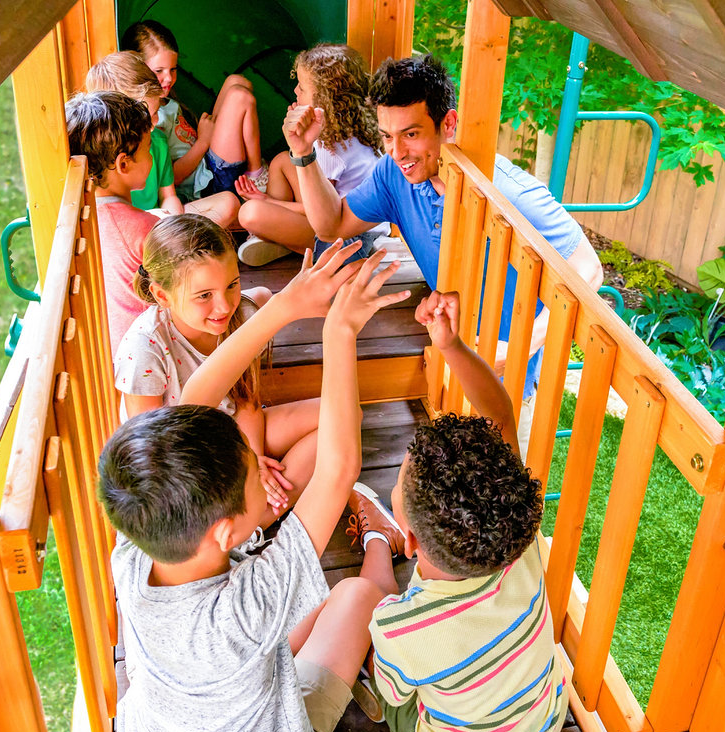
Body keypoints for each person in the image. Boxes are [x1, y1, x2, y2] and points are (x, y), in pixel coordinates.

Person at [97, 244, 411, 732]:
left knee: (304, 614)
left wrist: (284, 306)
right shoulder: (245, 609)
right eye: (251, 474)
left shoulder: (132, 552)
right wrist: (338, 331)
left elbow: (194, 399)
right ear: (223, 531)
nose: (261, 473)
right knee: (356, 594)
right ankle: (379, 538)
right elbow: (336, 471)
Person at [283, 54, 603, 458]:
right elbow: (331, 225)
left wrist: (514, 351)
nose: (398, 151)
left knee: (502, 500)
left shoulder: (508, 191)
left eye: (411, 134)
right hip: (453, 350)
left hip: (507, 381)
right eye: (386, 136)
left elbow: (590, 272)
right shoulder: (392, 174)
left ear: (447, 124)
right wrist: (303, 155)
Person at [365, 289, 567, 732]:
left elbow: (392, 691)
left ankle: (376, 539)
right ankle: (379, 531)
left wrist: (381, 634)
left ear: (411, 541)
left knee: (367, 608)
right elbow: (500, 416)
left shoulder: (403, 630)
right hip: (545, 728)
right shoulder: (518, 540)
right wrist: (452, 346)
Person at [115, 213, 316, 522]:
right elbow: (151, 457)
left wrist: (253, 458)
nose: (224, 306)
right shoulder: (144, 349)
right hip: (180, 457)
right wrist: (239, 469)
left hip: (234, 431)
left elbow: (246, 399)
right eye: (204, 296)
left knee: (338, 414)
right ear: (161, 295)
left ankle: (260, 513)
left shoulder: (240, 316)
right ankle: (254, 519)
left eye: (232, 285)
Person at [235, 44, 385, 266]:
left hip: (348, 242)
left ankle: (283, 240)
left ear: (324, 100)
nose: (295, 91)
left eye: (302, 88)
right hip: (360, 227)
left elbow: (323, 214)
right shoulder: (353, 125)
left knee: (250, 213)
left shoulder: (330, 148)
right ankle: (281, 238)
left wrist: (269, 202)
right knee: (282, 161)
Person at [85, 52, 239, 226]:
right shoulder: (103, 159)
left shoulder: (158, 141)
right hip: (130, 225)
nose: (156, 120)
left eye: (157, 111)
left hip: (160, 221)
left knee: (229, 203)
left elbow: (169, 196)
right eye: (149, 116)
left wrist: (170, 220)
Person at [121, 20, 266, 200]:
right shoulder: (149, 118)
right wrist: (204, 141)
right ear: (138, 69)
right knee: (240, 96)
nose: (168, 78)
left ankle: (252, 168)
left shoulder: (165, 101)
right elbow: (171, 178)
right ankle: (256, 174)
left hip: (205, 160)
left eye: (173, 69)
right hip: (207, 183)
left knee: (237, 81)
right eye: (159, 71)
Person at [65, 90, 161, 354]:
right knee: (259, 298)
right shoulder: (144, 228)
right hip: (150, 356)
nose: (152, 158)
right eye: (148, 149)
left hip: (106, 352)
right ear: (124, 164)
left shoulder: (80, 218)